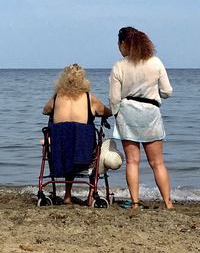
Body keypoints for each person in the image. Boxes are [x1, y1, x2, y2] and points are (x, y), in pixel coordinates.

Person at [109, 26, 174, 210]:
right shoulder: (155, 62)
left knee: (132, 161)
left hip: (127, 112)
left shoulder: (119, 66)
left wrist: (116, 114)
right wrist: (156, 97)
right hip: (150, 112)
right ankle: (168, 202)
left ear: (123, 44)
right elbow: (167, 91)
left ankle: (135, 203)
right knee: (157, 162)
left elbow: (114, 98)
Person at [43, 64, 112, 204]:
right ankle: (91, 195)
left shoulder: (57, 97)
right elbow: (106, 111)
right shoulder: (88, 98)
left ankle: (67, 195)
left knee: (69, 141)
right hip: (84, 150)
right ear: (83, 79)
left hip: (61, 150)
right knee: (94, 152)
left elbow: (45, 110)